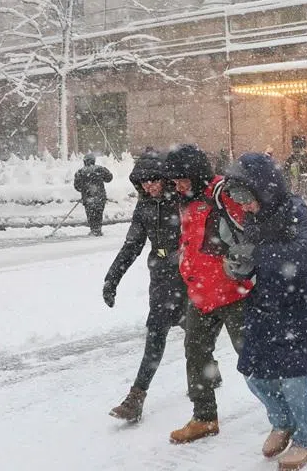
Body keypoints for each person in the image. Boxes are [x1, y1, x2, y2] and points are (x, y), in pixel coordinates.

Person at [223, 153, 307, 471]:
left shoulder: (295, 209)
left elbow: (303, 252)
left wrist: (258, 253)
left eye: (246, 198)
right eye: (238, 199)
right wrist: (240, 267)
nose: (243, 207)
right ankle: (282, 421)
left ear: (263, 189)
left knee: (297, 377)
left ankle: (306, 441)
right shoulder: (251, 216)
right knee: (255, 373)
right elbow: (255, 259)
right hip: (263, 304)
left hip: (298, 306)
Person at [163, 144, 254, 444]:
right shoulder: (185, 199)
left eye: (182, 179)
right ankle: (204, 417)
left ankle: (284, 415)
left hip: (234, 293)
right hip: (200, 294)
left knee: (253, 358)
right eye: (174, 180)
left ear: (197, 174)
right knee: (197, 353)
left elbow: (251, 228)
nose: (177, 185)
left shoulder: (222, 193)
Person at [102, 148, 193, 422]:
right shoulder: (143, 207)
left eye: (154, 179)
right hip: (161, 275)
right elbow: (131, 246)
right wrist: (112, 278)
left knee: (179, 329)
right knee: (166, 328)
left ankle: (199, 376)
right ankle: (138, 397)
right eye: (143, 181)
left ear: (164, 178)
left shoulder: (181, 201)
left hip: (186, 273)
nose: (149, 185)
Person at [74, 152, 113, 236]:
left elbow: (77, 186)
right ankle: (98, 229)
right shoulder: (100, 169)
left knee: (90, 214)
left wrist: (84, 189)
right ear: (93, 161)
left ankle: (93, 229)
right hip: (100, 197)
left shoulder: (80, 172)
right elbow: (109, 178)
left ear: (85, 161)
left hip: (88, 198)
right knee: (99, 213)